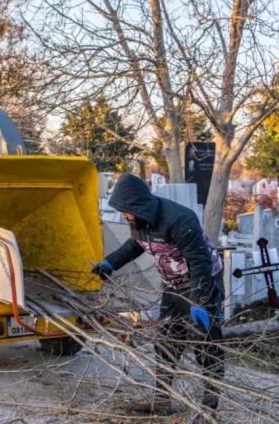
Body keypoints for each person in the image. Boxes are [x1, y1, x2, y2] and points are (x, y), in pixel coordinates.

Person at [93, 173, 224, 422]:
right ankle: (161, 401)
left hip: (203, 285)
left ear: (137, 205)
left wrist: (199, 302)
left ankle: (209, 410)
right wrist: (111, 262)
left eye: (125, 210)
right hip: (172, 286)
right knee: (165, 342)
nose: (123, 215)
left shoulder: (179, 219)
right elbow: (136, 245)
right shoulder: (140, 221)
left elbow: (200, 262)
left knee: (206, 347)